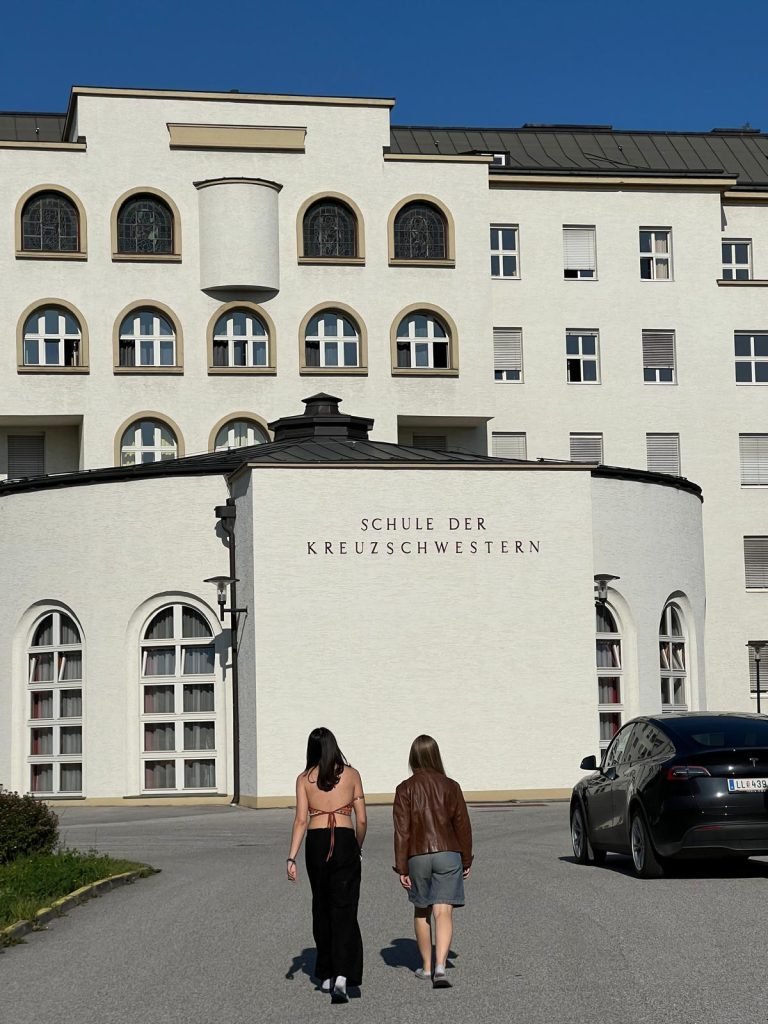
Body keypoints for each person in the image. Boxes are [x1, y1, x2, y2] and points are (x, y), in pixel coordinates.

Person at [287, 727, 366, 1003]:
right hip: (344, 840)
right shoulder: (352, 775)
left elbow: (301, 820)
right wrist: (357, 846)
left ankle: (327, 974)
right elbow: (362, 819)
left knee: (321, 906)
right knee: (345, 907)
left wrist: (291, 857)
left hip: (316, 843)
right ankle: (343, 974)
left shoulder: (304, 779)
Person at [392, 734, 473, 989]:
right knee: (443, 911)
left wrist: (402, 867)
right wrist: (466, 859)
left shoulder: (404, 788)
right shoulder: (451, 786)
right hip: (448, 853)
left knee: (421, 909)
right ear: (436, 755)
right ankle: (441, 967)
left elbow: (401, 831)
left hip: (417, 856)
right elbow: (463, 826)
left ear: (413, 758)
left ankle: (426, 967)